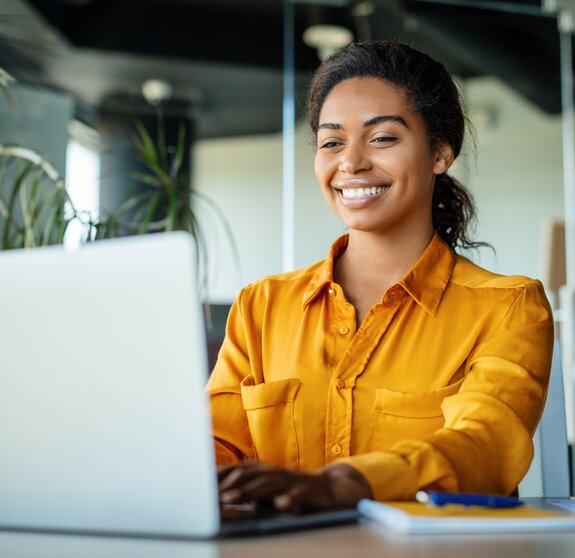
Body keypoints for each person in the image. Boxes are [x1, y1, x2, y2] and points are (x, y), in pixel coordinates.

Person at [207, 40, 554, 512]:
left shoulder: (508, 307)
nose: (350, 162)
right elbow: (215, 446)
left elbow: (485, 445)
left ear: (440, 153)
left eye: (382, 137)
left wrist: (349, 483)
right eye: (332, 142)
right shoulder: (262, 306)